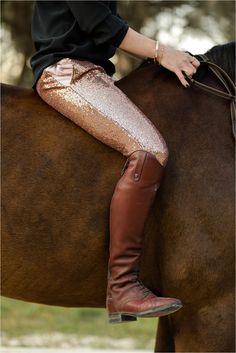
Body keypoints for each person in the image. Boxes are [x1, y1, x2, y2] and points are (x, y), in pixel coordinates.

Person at [30, 1, 200, 324]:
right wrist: (162, 52)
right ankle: (122, 286)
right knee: (149, 149)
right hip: (68, 72)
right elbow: (100, 23)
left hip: (94, 73)